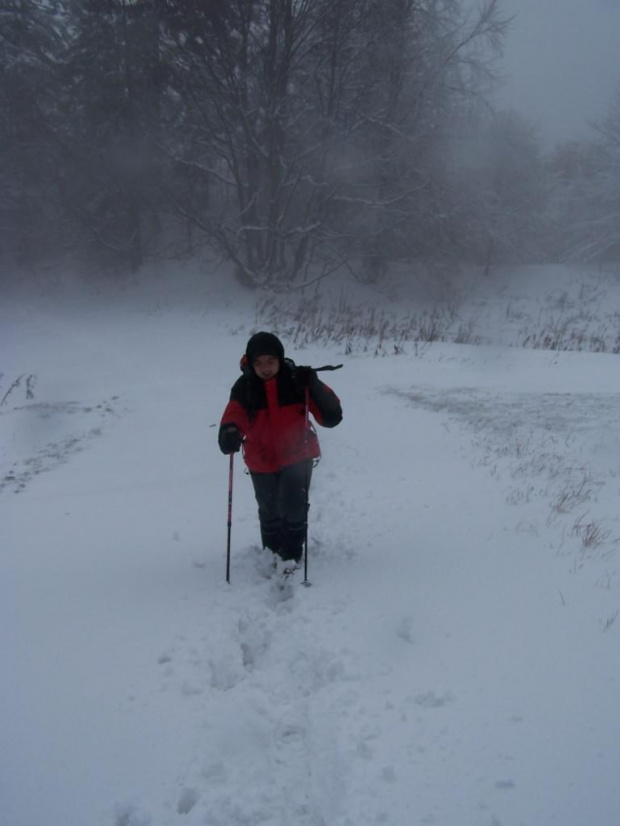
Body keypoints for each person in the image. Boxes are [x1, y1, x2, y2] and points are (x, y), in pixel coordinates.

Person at [218, 332, 342, 571]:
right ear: (251, 363)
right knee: (269, 508)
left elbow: (332, 416)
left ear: (280, 359)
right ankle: (271, 551)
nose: (265, 368)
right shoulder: (245, 387)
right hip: (260, 459)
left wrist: (313, 384)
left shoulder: (297, 380)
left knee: (294, 503)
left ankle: (292, 554)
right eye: (259, 363)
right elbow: (233, 416)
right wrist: (229, 433)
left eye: (270, 362)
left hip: (298, 455)